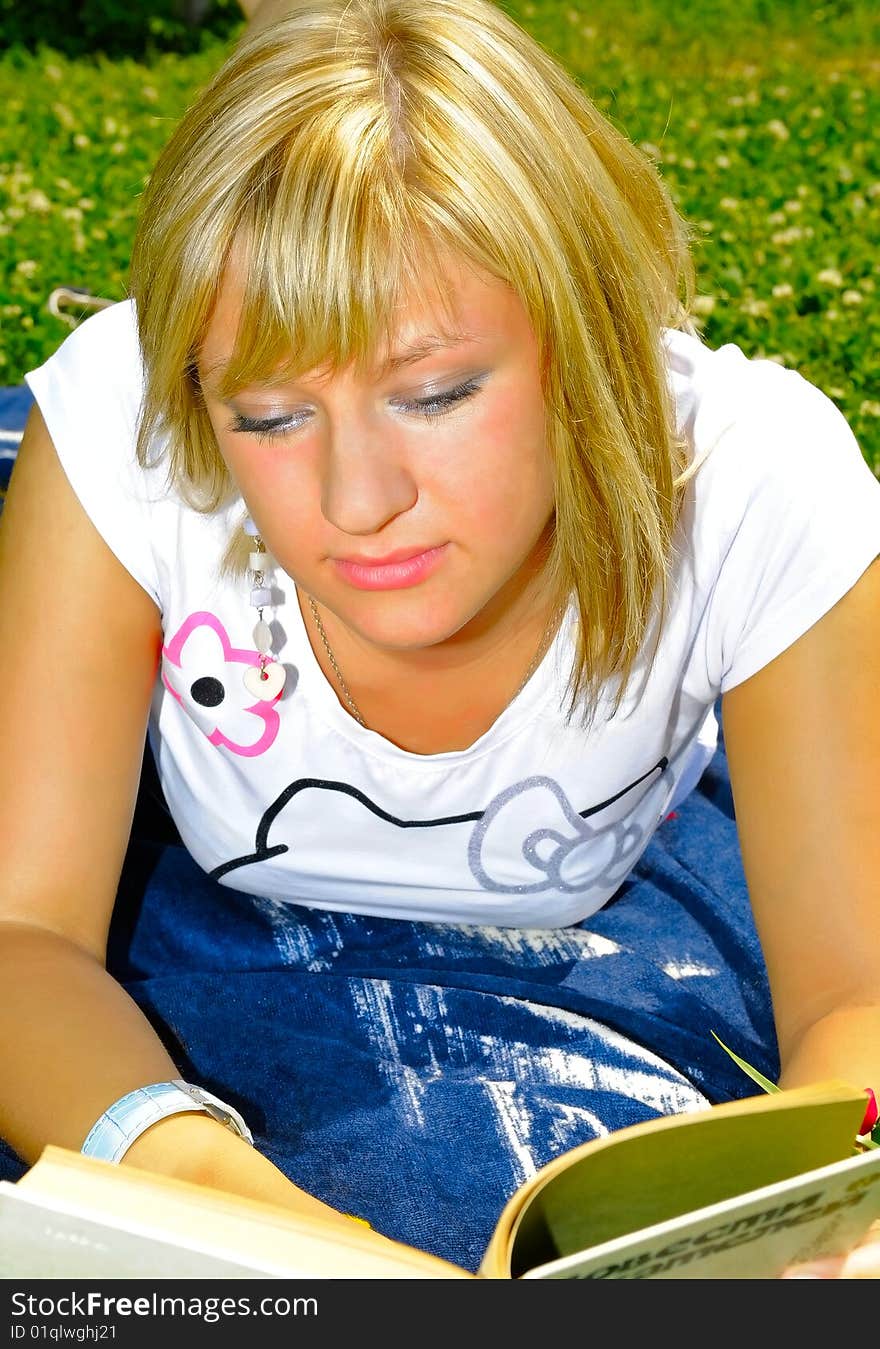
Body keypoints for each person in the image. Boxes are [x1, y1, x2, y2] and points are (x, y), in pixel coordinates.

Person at [0, 0, 878, 1278]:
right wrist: (217, 1191)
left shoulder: (756, 481)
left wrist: (819, 1222)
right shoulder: (125, 420)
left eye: (434, 392)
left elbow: (854, 996)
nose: (358, 502)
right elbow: (23, 938)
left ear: (587, 340)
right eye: (270, 416)